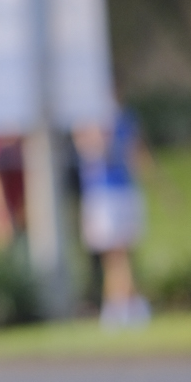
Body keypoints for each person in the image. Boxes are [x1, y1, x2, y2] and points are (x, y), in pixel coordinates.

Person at [72, 107, 151, 327]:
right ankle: (119, 306)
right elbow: (89, 149)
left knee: (122, 251)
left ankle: (124, 304)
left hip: (123, 191)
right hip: (101, 194)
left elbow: (137, 153)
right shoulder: (87, 117)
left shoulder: (125, 118)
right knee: (112, 254)